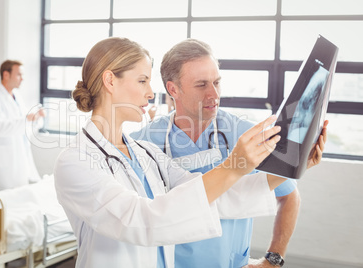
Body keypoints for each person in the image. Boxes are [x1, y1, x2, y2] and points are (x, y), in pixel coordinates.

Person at [53, 37, 294, 268]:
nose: (150, 93)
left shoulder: (145, 152)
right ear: (110, 81)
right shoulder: (76, 161)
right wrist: (234, 166)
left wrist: (294, 162)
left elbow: (211, 195)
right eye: (142, 80)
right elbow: (141, 220)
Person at [130, 39, 328, 268]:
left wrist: (273, 260)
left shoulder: (245, 134)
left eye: (217, 82)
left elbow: (288, 196)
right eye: (201, 84)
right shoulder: (143, 142)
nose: (213, 94)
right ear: (173, 89)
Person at [0, 60, 45, 190]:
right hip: (5, 161)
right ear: (6, 75)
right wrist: (27, 119)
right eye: (19, 75)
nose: (22, 79)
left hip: (20, 156)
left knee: (20, 197)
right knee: (4, 200)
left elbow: (23, 126)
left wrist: (36, 119)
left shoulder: (16, 96)